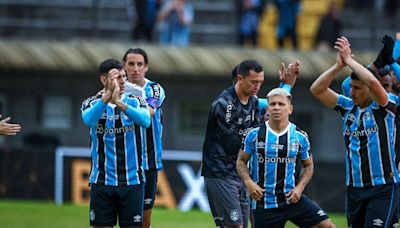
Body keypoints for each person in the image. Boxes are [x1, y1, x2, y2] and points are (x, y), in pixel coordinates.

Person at [310, 37, 399, 227]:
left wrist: (350, 60)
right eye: (351, 87)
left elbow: (375, 84)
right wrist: (338, 66)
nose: (352, 92)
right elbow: (317, 90)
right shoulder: (347, 107)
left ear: (369, 90)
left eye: (357, 88)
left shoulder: (385, 106)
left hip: (382, 188)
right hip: (354, 190)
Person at [201, 59, 299, 228]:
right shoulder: (225, 105)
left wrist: (286, 86)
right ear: (240, 79)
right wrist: (263, 135)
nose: (257, 86)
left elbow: (275, 106)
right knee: (235, 226)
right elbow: (232, 145)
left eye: (260, 82)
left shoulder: (253, 101)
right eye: (254, 82)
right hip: (220, 172)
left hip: (242, 173)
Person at [236, 88, 335, 228]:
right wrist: (249, 183)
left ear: (290, 109)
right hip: (264, 203)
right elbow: (241, 161)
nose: (276, 108)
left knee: (327, 226)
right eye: (273, 104)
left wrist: (299, 188)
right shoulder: (253, 135)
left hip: (292, 200)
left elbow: (308, 166)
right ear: (267, 109)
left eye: (281, 104)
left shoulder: (300, 136)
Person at [81, 59, 151, 228]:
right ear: (104, 80)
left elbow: (145, 121)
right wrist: (107, 98)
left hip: (132, 181)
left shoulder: (135, 101)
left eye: (123, 77)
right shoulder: (90, 103)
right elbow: (89, 120)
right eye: (117, 77)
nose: (122, 81)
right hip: (102, 181)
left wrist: (119, 103)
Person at [122, 48, 166, 228]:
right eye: (131, 64)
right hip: (123, 162)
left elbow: (150, 112)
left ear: (146, 67)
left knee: (144, 218)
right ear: (124, 66)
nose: (135, 69)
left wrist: (123, 104)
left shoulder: (154, 89)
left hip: (148, 161)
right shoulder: (116, 88)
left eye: (140, 64)